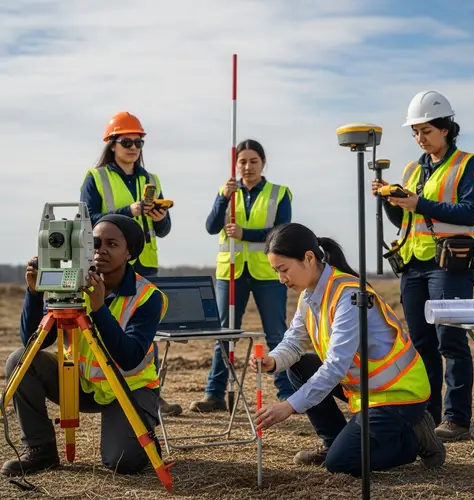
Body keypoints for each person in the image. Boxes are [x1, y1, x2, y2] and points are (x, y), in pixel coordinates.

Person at [250, 222, 445, 476]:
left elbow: (335, 366)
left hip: (399, 393)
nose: (281, 279)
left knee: (340, 464)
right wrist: (273, 360)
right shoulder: (309, 295)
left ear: (308, 258)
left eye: (283, 269)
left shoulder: (349, 295)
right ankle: (332, 443)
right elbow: (294, 341)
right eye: (276, 271)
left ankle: (415, 439)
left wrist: (289, 406)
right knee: (298, 367)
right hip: (367, 389)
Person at [1, 215, 168, 477]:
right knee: (20, 359)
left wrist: (100, 309)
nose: (101, 251)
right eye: (95, 243)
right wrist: (34, 295)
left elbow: (129, 357)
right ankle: (40, 450)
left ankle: (142, 438)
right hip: (80, 384)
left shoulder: (148, 297)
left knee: (123, 462)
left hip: (128, 388)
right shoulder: (74, 282)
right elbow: (37, 342)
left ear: (129, 253)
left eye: (112, 244)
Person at [371, 90, 474, 441]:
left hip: (450, 264)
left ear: (446, 129)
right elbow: (404, 220)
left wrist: (418, 202)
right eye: (416, 133)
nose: (420, 139)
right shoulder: (411, 168)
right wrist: (391, 199)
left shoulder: (470, 165)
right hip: (414, 264)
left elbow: (469, 213)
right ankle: (429, 418)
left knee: (450, 342)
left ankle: (457, 419)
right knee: (421, 345)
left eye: (426, 131)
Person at [80, 111, 181, 417]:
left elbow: (163, 230)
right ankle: (97, 383)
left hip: (144, 263)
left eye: (138, 142)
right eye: (126, 141)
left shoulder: (151, 180)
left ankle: (150, 392)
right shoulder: (95, 178)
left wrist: (160, 218)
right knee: (101, 324)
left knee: (143, 334)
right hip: (105, 264)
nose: (134, 147)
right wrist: (130, 210)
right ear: (112, 144)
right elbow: (85, 221)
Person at [190, 139, 295, 412]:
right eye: (242, 162)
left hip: (268, 273)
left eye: (253, 161)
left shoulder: (279, 193)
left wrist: (245, 234)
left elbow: (282, 231)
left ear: (263, 163)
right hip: (231, 271)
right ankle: (214, 395)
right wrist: (221, 198)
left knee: (276, 334)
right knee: (224, 335)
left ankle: (287, 393)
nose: (247, 167)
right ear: (235, 165)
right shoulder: (227, 192)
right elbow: (212, 226)